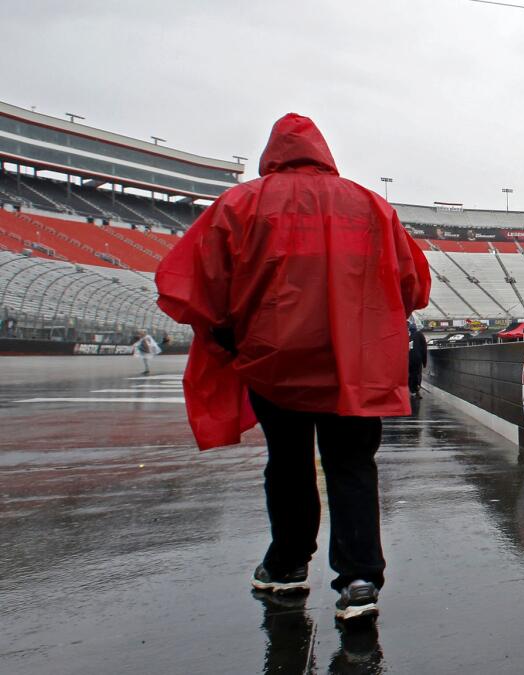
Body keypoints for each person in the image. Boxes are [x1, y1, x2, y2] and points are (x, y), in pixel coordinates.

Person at [156, 113, 431, 622]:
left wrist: (228, 336)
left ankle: (286, 565)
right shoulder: (370, 204)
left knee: (287, 463)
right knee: (352, 464)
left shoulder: (240, 203)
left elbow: (191, 281)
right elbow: (413, 287)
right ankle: (360, 578)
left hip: (272, 361)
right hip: (354, 363)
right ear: (323, 151)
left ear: (273, 152)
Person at [408, 320, 428, 399]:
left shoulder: (409, 337)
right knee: (417, 375)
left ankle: (412, 391)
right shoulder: (420, 335)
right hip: (417, 359)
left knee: (411, 375)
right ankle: (416, 391)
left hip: (409, 360)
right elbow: (424, 348)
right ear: (416, 329)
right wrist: (424, 362)